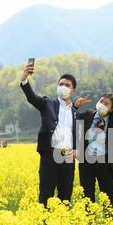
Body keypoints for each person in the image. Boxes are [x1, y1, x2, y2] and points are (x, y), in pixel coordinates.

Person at [20, 62, 79, 206]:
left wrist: (77, 149)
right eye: (61, 84)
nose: (63, 87)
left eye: (67, 85)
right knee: (46, 196)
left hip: (68, 158)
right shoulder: (48, 104)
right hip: (50, 156)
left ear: (73, 91)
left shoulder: (75, 112)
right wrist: (24, 79)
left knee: (65, 197)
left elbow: (76, 134)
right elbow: (32, 98)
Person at [73, 94, 113, 208]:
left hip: (105, 163)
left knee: (108, 198)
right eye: (101, 101)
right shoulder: (87, 115)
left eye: (106, 104)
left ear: (112, 109)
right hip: (86, 162)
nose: (102, 104)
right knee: (87, 197)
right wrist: (75, 106)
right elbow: (72, 117)